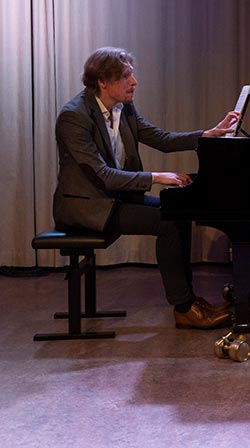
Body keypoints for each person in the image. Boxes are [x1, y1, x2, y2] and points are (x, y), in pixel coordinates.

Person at [53, 46, 239, 329]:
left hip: (114, 199)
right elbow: (103, 175)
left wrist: (207, 135)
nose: (134, 82)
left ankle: (187, 300)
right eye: (126, 76)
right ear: (103, 82)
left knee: (178, 211)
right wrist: (156, 176)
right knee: (167, 222)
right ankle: (184, 307)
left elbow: (160, 138)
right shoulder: (74, 117)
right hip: (88, 206)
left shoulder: (124, 108)